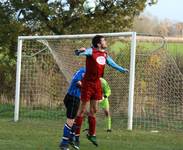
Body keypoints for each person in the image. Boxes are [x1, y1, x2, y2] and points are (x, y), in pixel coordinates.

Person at [74, 35, 128, 148]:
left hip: (97, 84)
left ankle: (91, 134)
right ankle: (76, 136)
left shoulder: (105, 54)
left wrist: (122, 69)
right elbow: (80, 53)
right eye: (104, 40)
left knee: (94, 110)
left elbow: (112, 64)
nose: (105, 42)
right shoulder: (91, 51)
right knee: (82, 110)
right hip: (87, 83)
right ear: (98, 44)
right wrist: (79, 51)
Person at [59, 67, 86, 150]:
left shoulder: (82, 70)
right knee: (70, 121)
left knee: (73, 120)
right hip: (73, 98)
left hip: (70, 97)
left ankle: (71, 138)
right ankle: (64, 144)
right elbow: (77, 82)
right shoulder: (84, 71)